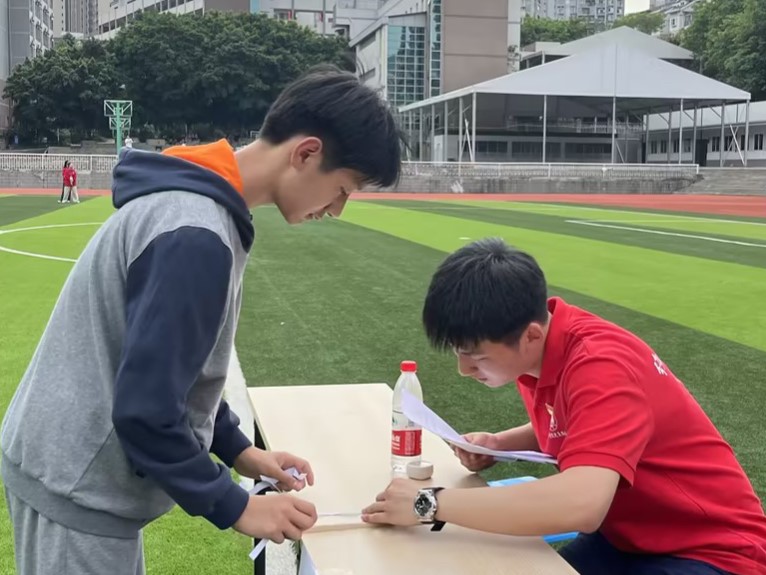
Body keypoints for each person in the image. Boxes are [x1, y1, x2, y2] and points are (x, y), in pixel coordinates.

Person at [1, 64, 402, 575]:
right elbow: (146, 412)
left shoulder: (201, 210)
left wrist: (241, 452)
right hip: (76, 485)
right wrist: (237, 506)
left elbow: (176, 373)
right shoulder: (196, 232)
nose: (337, 209)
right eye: (344, 188)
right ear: (306, 153)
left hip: (76, 475)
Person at [362, 238, 766, 575]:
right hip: (627, 538)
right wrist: (500, 444)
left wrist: (428, 503)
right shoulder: (545, 347)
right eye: (458, 351)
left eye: (476, 356)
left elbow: (581, 504)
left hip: (710, 550)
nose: (464, 369)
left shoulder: (601, 365)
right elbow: (584, 421)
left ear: (531, 336)